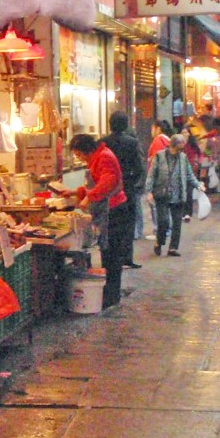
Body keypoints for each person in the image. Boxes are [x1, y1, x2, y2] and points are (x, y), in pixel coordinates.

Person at [66, 134, 126, 309]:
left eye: (79, 154)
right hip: (109, 210)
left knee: (112, 255)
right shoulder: (99, 156)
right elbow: (95, 184)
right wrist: (74, 192)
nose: (80, 158)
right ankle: (109, 294)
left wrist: (88, 198)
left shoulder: (104, 157)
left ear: (86, 150)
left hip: (114, 211)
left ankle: (111, 296)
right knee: (108, 253)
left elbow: (107, 182)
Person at [145, 133, 201, 257]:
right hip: (162, 193)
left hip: (178, 194)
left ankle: (173, 248)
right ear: (173, 145)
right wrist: (149, 191)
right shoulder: (159, 156)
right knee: (163, 221)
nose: (181, 151)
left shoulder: (183, 157)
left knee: (177, 223)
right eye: (179, 148)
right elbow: (151, 175)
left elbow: (189, 174)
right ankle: (159, 242)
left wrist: (198, 185)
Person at [102, 112, 145, 270]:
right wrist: (132, 184)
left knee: (108, 225)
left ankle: (108, 257)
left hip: (107, 190)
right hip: (127, 188)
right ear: (126, 125)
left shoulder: (103, 142)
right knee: (128, 225)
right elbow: (138, 167)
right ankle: (127, 257)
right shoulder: (132, 143)